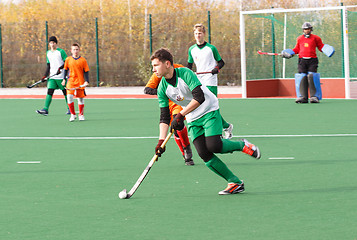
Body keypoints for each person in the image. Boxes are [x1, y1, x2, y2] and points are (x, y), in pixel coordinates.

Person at [151, 48, 261, 195]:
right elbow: (164, 117)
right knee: (204, 153)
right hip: (192, 118)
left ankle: (242, 145)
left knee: (214, 145)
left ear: (167, 64)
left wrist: (181, 114)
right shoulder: (162, 88)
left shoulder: (185, 73)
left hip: (208, 109)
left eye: (156, 65)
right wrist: (161, 141)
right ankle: (234, 182)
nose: (153, 69)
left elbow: (199, 97)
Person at [187, 24, 233, 139]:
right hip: (199, 81)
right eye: (196, 33)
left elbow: (221, 62)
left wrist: (216, 69)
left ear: (204, 34)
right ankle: (226, 126)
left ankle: (220, 131)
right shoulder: (191, 49)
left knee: (211, 105)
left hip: (210, 80)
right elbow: (189, 66)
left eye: (200, 33)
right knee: (202, 106)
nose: (198, 35)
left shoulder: (211, 48)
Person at [144, 64, 194, 166]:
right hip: (167, 105)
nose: (155, 69)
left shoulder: (180, 69)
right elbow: (147, 89)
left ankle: (187, 148)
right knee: (175, 132)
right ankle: (184, 154)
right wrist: (165, 91)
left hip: (179, 103)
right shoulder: (158, 73)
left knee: (178, 123)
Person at [281, 22, 335, 104]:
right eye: (305, 29)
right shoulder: (299, 38)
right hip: (302, 60)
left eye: (308, 29)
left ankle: (314, 96)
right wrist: (290, 53)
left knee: (312, 76)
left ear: (311, 30)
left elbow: (321, 46)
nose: (307, 31)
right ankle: (302, 97)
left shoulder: (316, 38)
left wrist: (327, 50)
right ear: (303, 30)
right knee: (302, 76)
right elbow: (297, 49)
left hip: (312, 60)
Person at [36, 36, 69, 116]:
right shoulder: (48, 53)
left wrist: (60, 68)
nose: (52, 44)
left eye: (53, 42)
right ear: (49, 44)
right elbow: (48, 65)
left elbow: (67, 63)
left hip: (61, 77)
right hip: (52, 77)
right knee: (49, 92)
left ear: (56, 43)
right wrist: (45, 76)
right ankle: (45, 109)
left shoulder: (61, 51)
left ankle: (70, 109)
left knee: (65, 93)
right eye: (51, 43)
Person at [62, 43, 89, 122]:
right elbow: (65, 69)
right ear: (71, 51)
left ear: (79, 50)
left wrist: (87, 81)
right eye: (74, 49)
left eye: (77, 49)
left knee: (80, 99)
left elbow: (86, 71)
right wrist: (64, 79)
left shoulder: (83, 60)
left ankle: (81, 114)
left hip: (80, 81)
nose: (75, 51)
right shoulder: (68, 59)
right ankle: (73, 114)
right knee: (69, 96)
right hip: (71, 81)